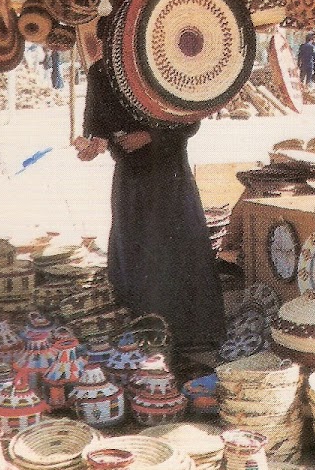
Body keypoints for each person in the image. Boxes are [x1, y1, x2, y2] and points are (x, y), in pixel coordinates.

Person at [75, 52, 226, 353]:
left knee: (175, 251)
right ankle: (140, 331)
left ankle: (188, 334)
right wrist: (92, 144)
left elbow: (191, 118)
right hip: (130, 175)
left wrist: (151, 136)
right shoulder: (100, 72)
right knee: (135, 250)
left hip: (169, 171)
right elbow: (95, 124)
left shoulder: (163, 60)